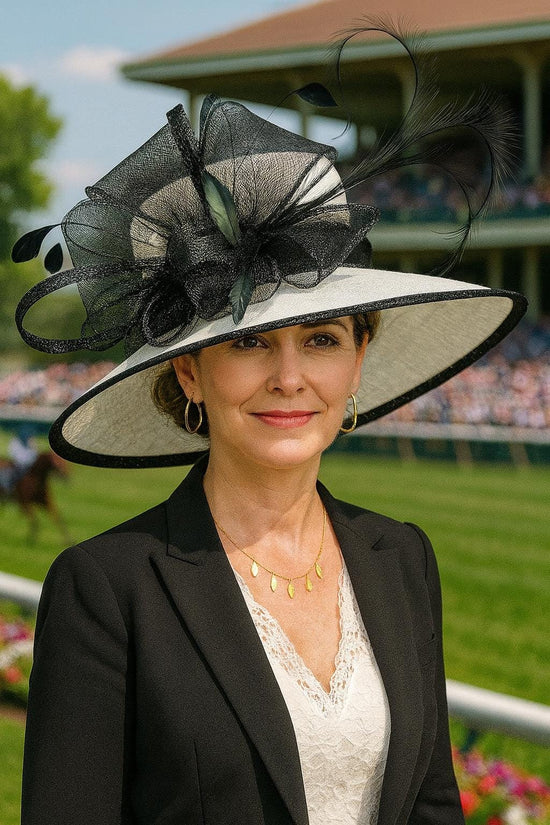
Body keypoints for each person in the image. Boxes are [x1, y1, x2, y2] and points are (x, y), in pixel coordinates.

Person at [13, 30, 526, 825]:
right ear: (189, 371)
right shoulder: (108, 588)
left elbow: (429, 805)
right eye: (249, 340)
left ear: (357, 361)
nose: (290, 376)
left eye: (321, 339)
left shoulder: (401, 558)